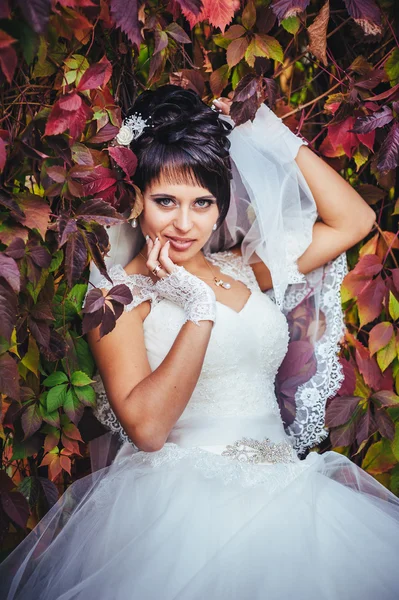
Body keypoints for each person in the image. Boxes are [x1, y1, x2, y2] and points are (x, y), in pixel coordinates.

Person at [1, 85, 398, 600]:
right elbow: (146, 427)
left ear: (220, 206)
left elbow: (355, 220)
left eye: (202, 202)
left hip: (289, 497)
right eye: (165, 201)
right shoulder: (117, 299)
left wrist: (269, 132)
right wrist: (197, 309)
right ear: (136, 197)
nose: (185, 224)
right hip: (182, 510)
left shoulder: (245, 268)